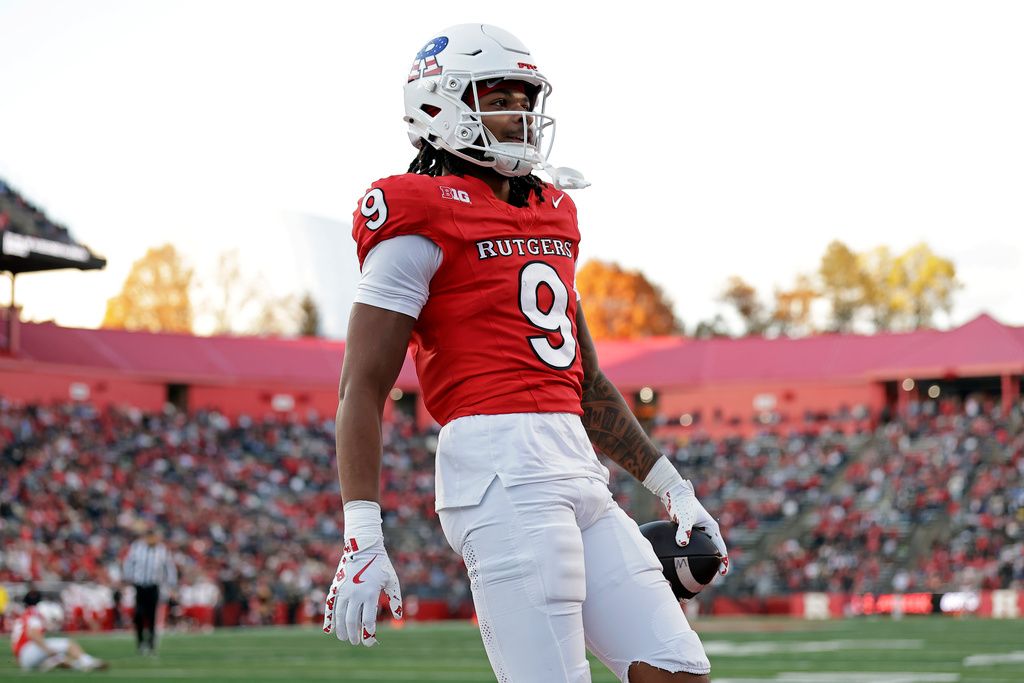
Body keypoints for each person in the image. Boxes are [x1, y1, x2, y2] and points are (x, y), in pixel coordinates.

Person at [322, 24, 729, 683]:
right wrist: (362, 532)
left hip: (576, 465)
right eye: (498, 96)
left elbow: (585, 379)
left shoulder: (552, 210)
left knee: (677, 670)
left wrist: (671, 486)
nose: (518, 114)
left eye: (523, 97)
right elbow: (361, 386)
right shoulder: (413, 207)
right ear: (438, 104)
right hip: (498, 471)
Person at [122, 524, 178, 655]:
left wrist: (171, 585)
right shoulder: (137, 548)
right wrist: (127, 578)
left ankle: (152, 644)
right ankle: (141, 642)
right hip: (140, 585)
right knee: (139, 615)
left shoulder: (162, 550)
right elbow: (129, 563)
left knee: (152, 616)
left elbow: (169, 568)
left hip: (154, 586)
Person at [10, 599, 108, 671]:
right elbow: (32, 633)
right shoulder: (36, 615)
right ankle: (88, 661)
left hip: (23, 660)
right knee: (68, 643)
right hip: (28, 651)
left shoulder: (26, 614)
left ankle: (75, 665)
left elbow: (15, 643)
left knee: (59, 658)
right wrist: (47, 650)